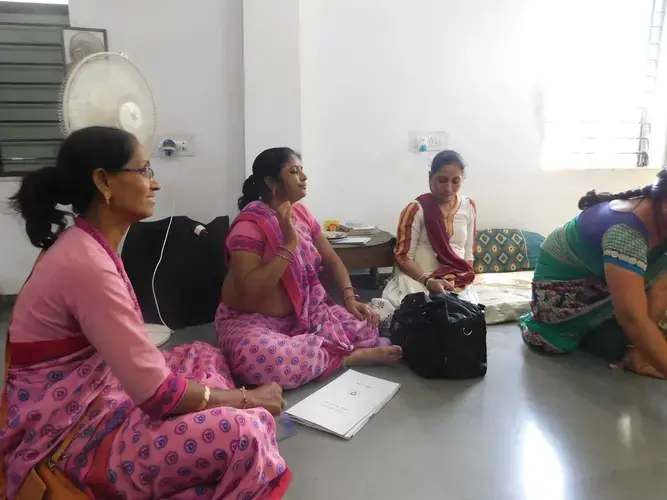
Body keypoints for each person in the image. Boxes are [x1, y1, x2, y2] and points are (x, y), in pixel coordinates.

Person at [0, 127, 291, 499]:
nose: (154, 184)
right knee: (244, 434)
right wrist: (246, 397)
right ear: (103, 181)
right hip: (70, 434)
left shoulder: (88, 243)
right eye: (144, 171)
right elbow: (157, 395)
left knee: (202, 353)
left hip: (101, 393)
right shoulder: (84, 263)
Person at [215, 148, 402, 390]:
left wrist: (350, 299)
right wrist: (289, 244)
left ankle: (318, 350)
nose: (303, 177)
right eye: (294, 171)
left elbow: (332, 258)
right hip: (253, 322)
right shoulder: (249, 227)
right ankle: (346, 358)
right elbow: (251, 291)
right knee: (265, 360)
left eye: (302, 170)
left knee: (367, 328)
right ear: (271, 182)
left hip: (306, 314)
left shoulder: (301, 214)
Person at [519, 170, 667, 379]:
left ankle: (636, 352)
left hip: (607, 289)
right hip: (562, 302)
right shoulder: (626, 233)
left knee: (650, 338)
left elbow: (662, 288)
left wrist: (640, 352)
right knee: (633, 332)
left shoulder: (660, 219)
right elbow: (633, 318)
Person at [379, 150, 478, 317]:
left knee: (464, 319)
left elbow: (468, 252)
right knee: (420, 317)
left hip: (456, 280)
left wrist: (462, 278)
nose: (448, 188)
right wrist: (428, 281)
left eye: (455, 181)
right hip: (417, 279)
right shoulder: (416, 209)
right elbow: (402, 255)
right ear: (430, 177)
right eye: (441, 180)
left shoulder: (468, 206)